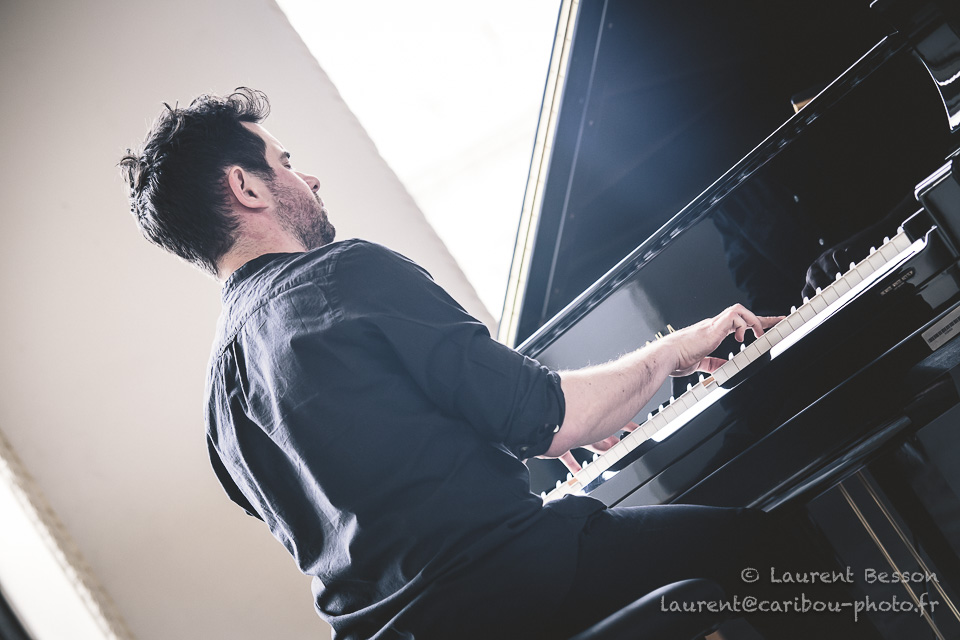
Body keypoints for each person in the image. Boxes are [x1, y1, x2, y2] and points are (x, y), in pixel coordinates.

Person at [121, 88, 866, 640]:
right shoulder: (341, 275)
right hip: (517, 591)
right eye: (286, 163)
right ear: (247, 187)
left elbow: (378, 489)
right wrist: (675, 347)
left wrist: (508, 436)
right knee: (772, 549)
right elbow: (552, 419)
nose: (308, 180)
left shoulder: (217, 405)